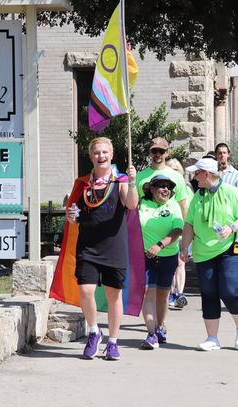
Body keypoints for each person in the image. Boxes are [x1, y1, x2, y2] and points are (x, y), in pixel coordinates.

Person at [66, 137, 138, 360]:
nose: (101, 156)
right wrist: (71, 217)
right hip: (88, 246)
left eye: (105, 152)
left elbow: (132, 204)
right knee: (86, 290)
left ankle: (113, 342)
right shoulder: (83, 183)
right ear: (90, 156)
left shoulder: (121, 180)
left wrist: (133, 182)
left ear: (112, 154)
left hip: (114, 246)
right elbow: (75, 216)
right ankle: (94, 331)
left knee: (113, 294)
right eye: (97, 152)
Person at [180, 158, 238, 351]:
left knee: (230, 289)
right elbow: (189, 223)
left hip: (232, 247)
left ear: (206, 174)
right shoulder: (198, 196)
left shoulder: (230, 192)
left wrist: (231, 228)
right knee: (209, 292)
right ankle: (212, 338)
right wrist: (184, 247)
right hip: (204, 252)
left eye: (196, 173)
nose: (194, 177)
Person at [138, 175, 183, 349]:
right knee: (147, 293)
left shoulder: (174, 205)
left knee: (163, 295)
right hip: (145, 256)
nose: (165, 189)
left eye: (168, 186)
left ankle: (160, 327)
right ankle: (151, 334)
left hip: (168, 255)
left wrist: (160, 244)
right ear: (151, 188)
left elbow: (178, 229)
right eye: (160, 186)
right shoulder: (143, 205)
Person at [165, 158, 194, 308]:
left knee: (180, 263)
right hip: (165, 230)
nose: (174, 172)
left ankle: (179, 293)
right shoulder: (162, 189)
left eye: (176, 170)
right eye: (171, 169)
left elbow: (189, 212)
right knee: (171, 264)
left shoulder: (187, 189)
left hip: (182, 230)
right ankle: (170, 293)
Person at [136, 137, 188, 218]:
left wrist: (186, 229)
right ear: (150, 153)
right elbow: (134, 206)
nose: (158, 154)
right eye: (154, 151)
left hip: (173, 228)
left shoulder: (177, 177)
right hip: (145, 228)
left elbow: (183, 206)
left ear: (167, 153)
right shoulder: (139, 177)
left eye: (161, 151)